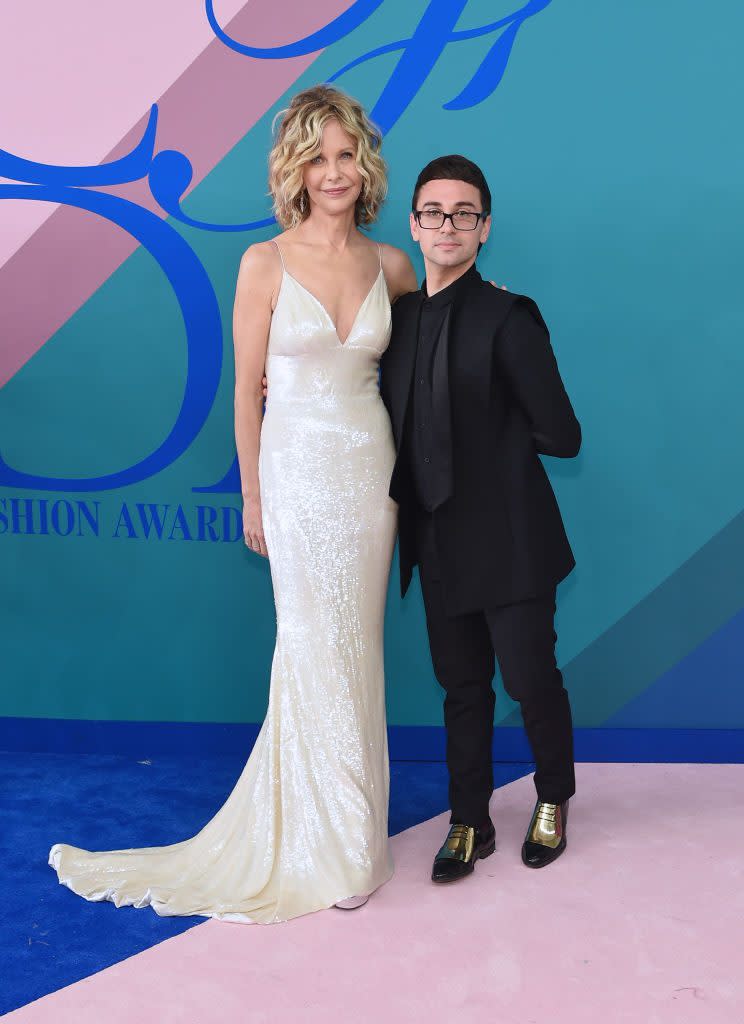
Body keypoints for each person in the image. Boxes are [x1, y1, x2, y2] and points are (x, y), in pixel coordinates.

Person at [48, 85, 418, 923]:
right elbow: (242, 397)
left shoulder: (393, 266)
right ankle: (333, 845)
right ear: (294, 169)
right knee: (312, 643)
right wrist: (252, 492)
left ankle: (350, 836)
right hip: (295, 477)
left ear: (365, 163)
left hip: (370, 479)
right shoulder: (263, 263)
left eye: (346, 154)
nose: (334, 172)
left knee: (353, 647)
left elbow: (431, 366)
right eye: (317, 157)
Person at [379, 155, 581, 883]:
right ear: (413, 223)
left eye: (464, 213)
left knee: (531, 681)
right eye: (433, 211)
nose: (447, 225)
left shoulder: (509, 314)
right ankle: (470, 820)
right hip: (436, 542)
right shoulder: (397, 320)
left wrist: (493, 444)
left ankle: (552, 797)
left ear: (484, 227)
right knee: (461, 688)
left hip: (512, 544)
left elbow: (563, 434)